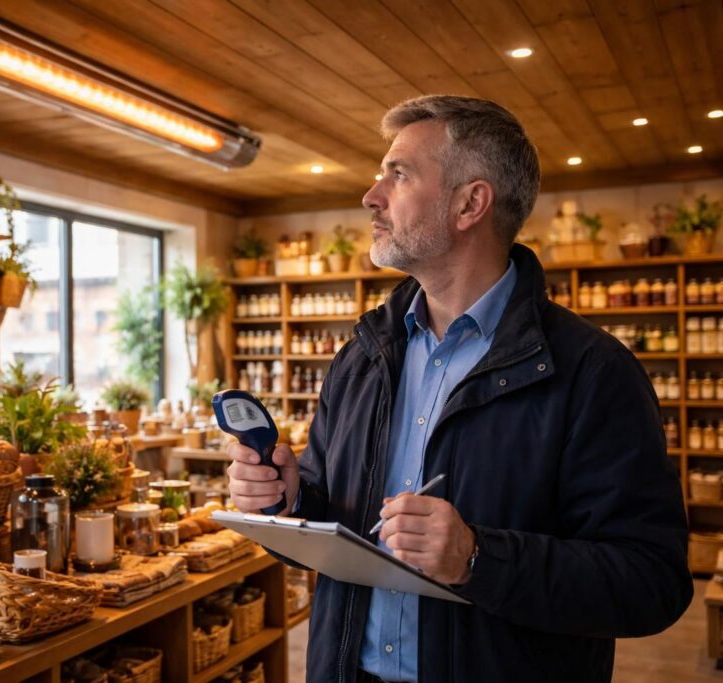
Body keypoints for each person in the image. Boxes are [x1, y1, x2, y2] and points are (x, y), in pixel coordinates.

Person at [226, 95, 692, 683]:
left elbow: (651, 582)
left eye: (398, 175)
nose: (371, 197)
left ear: (471, 203)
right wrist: (290, 503)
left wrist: (476, 558)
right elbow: (340, 521)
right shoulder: (361, 358)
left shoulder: (593, 372)